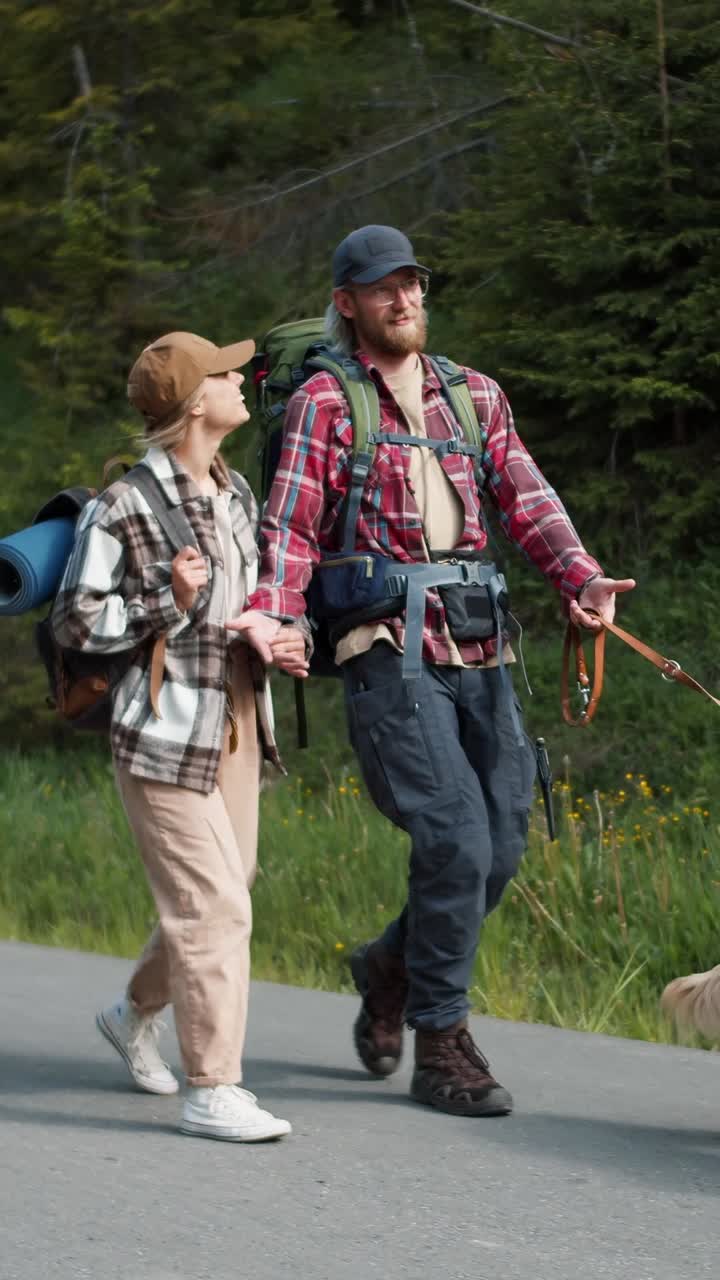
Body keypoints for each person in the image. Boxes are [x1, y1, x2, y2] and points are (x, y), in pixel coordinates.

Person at [231, 225, 635, 1119]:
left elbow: (527, 495)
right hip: (387, 651)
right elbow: (291, 527)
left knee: (499, 849)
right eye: (383, 289)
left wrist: (582, 579)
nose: (404, 300)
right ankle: (442, 1040)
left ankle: (388, 968)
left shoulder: (472, 393)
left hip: (483, 644)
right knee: (453, 841)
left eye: (412, 285)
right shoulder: (327, 403)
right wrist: (277, 616)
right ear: (348, 303)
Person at [51, 330, 308, 1142]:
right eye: (230, 374)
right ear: (197, 399)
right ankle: (214, 1087)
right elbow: (77, 619)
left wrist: (272, 630)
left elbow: (246, 597)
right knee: (215, 908)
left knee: (222, 893)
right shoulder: (123, 504)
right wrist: (168, 597)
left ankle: (131, 1013)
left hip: (234, 718)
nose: (244, 382)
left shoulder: (234, 492)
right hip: (161, 729)